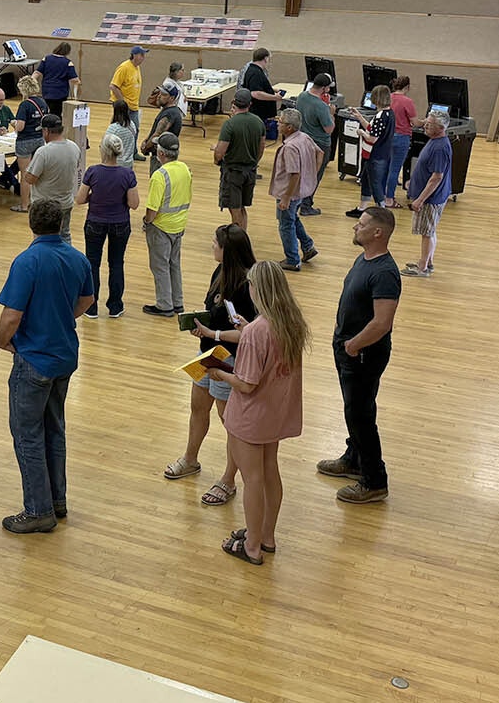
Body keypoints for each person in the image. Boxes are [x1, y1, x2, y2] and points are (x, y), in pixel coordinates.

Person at [0, 198, 95, 533]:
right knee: (55, 428)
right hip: (65, 356)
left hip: (34, 359)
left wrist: (3, 340)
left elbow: (11, 315)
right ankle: (57, 499)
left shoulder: (27, 262)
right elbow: (87, 299)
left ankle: (38, 510)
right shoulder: (78, 259)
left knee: (27, 434)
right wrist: (62, 317)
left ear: (32, 224)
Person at [211, 261, 309, 565]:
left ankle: (251, 545)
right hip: (276, 412)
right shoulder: (291, 321)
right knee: (269, 473)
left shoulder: (257, 331)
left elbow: (246, 384)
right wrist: (246, 331)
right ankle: (266, 535)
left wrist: (219, 374)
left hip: (251, 416)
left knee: (252, 479)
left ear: (258, 289)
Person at [166, 225, 258, 510]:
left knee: (229, 421)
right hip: (207, 353)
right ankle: (190, 459)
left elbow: (249, 332)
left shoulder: (247, 285)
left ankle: (229, 480)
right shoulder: (219, 272)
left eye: (215, 242)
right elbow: (216, 312)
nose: (211, 246)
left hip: (230, 359)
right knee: (197, 406)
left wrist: (212, 333)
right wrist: (202, 327)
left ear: (227, 250)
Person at [318, 206, 401, 504]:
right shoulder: (364, 259)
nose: (356, 228)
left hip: (363, 354)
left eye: (362, 224)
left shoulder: (385, 273)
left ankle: (375, 481)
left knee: (361, 414)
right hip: (349, 350)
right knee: (355, 410)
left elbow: (382, 323)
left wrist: (354, 345)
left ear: (378, 232)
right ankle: (354, 459)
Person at [76, 134, 139, 319]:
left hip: (95, 222)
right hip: (120, 223)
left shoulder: (93, 171)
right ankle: (115, 306)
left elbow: (79, 199)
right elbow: (134, 204)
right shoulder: (127, 174)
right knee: (116, 264)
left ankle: (91, 307)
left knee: (92, 264)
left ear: (102, 150)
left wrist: (94, 197)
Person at [142, 132, 192, 316]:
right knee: (174, 264)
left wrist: (147, 222)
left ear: (161, 153)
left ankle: (164, 305)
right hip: (179, 224)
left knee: (160, 266)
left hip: (161, 227)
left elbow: (152, 210)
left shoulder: (159, 176)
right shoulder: (185, 169)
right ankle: (177, 302)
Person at [403, 113, 452, 278]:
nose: (425, 126)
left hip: (430, 199)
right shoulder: (435, 142)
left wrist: (420, 199)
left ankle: (422, 267)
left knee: (427, 232)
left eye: (429, 124)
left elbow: (437, 177)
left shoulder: (439, 148)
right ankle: (428, 262)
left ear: (440, 128)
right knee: (430, 230)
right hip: (430, 196)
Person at [270, 108, 320, 271]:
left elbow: (294, 174)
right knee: (292, 218)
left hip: (289, 192)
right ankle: (307, 247)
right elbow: (320, 153)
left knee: (285, 223)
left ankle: (292, 259)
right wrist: (312, 174)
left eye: (281, 122)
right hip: (302, 190)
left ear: (289, 127)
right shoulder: (304, 137)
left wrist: (285, 197)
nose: (278, 124)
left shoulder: (290, 147)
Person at [214, 88, 265, 231]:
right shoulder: (258, 122)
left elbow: (220, 152)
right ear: (250, 104)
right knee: (242, 207)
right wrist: (254, 162)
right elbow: (262, 147)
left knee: (234, 208)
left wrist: (217, 160)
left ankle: (237, 242)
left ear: (234, 102)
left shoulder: (230, 124)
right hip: (250, 171)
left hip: (233, 172)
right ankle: (244, 236)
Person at [23, 113, 80, 240]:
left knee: (41, 240)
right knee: (64, 236)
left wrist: (28, 168)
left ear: (46, 131)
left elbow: (30, 179)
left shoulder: (43, 152)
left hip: (44, 207)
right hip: (65, 203)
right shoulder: (74, 147)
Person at [345, 86, 394, 219]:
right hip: (382, 153)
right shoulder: (389, 114)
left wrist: (361, 132)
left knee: (375, 183)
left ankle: (382, 210)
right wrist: (360, 117)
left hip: (374, 155)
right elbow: (372, 129)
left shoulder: (380, 117)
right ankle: (362, 208)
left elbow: (372, 137)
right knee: (366, 180)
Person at [294, 73, 336, 216]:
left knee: (303, 174)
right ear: (324, 88)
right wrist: (331, 114)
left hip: (302, 141)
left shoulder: (302, 96)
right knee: (314, 176)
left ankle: (298, 202)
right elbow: (329, 129)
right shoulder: (321, 106)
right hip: (320, 145)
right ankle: (306, 206)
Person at [8, 76, 50, 214]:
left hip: (25, 141)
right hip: (39, 139)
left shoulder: (25, 105)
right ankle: (36, 201)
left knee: (25, 175)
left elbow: (20, 127)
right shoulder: (42, 102)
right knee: (37, 172)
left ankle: (24, 205)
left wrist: (13, 123)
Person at [384, 76, 418, 207]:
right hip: (401, 137)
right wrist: (425, 122)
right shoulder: (407, 101)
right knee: (394, 170)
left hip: (387, 137)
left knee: (386, 167)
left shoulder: (388, 97)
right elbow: (415, 122)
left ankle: (382, 195)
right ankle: (389, 199)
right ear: (407, 87)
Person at [139, 83, 186, 177]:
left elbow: (157, 134)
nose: (159, 96)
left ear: (172, 98)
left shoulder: (169, 114)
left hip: (161, 158)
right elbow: (151, 101)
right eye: (160, 93)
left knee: (158, 182)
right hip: (164, 156)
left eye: (164, 95)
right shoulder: (170, 110)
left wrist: (146, 147)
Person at [33, 41, 81, 118]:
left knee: (46, 110)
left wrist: (31, 84)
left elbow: (36, 73)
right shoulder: (68, 63)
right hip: (60, 92)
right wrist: (78, 82)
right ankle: (56, 128)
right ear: (67, 52)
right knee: (57, 113)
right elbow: (74, 79)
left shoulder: (46, 59)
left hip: (46, 90)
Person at [109, 46, 146, 143]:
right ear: (134, 55)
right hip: (124, 105)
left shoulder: (137, 67)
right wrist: (123, 103)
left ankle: (132, 151)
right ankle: (110, 146)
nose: (143, 57)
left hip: (133, 105)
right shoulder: (124, 67)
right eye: (141, 55)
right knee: (118, 129)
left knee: (135, 129)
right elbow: (113, 86)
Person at [241, 47, 283, 125]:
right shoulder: (256, 73)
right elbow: (255, 93)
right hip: (259, 113)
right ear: (266, 58)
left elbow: (256, 87)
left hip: (258, 113)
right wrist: (275, 97)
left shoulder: (252, 69)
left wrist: (272, 89)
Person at [104, 100, 137, 170]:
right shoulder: (132, 125)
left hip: (116, 164)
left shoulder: (114, 128)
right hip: (129, 163)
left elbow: (105, 144)